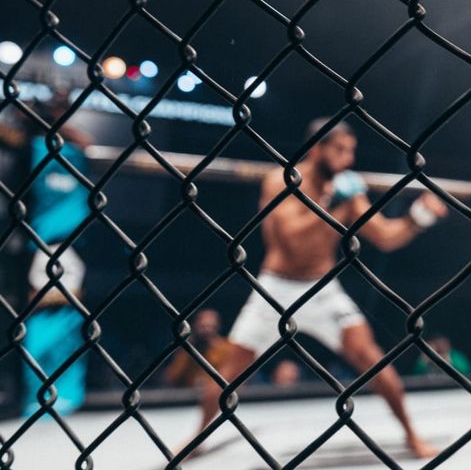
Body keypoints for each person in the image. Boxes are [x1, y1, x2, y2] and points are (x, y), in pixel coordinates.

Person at [186, 117, 448, 459]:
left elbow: (384, 237)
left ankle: (412, 436)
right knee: (230, 373)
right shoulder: (280, 181)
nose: (348, 159)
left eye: (351, 151)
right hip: (274, 291)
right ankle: (197, 439)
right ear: (316, 149)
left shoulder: (347, 190)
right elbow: (291, 239)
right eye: (340, 150)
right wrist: (331, 202)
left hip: (323, 289)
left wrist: (418, 218)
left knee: (372, 358)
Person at [22, 92, 93, 417]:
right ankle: (40, 395)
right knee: (42, 320)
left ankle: (64, 393)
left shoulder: (74, 151)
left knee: (69, 322)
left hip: (70, 246)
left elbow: (86, 142)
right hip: (45, 245)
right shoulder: (34, 149)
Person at [164, 309, 236, 389]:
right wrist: (189, 350)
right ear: (195, 327)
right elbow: (171, 378)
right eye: (203, 327)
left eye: (210, 327)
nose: (206, 331)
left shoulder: (227, 348)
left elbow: (234, 375)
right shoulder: (186, 349)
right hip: (189, 394)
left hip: (217, 391)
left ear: (217, 327)